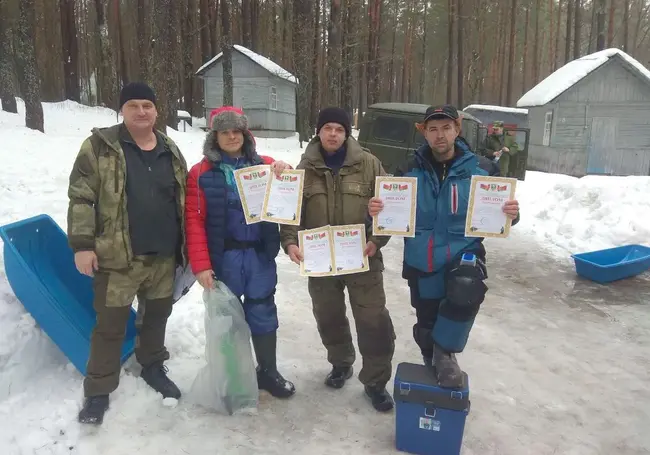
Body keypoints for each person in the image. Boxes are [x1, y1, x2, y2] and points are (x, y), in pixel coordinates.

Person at [368, 105, 520, 389]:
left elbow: (502, 213)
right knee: (426, 320)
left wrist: (511, 212)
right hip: (422, 254)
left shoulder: (482, 169)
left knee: (466, 287)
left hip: (463, 249)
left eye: (446, 128)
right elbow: (389, 213)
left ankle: (445, 353)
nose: (440, 135)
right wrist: (377, 209)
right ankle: (433, 354)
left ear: (457, 130)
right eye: (433, 129)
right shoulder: (408, 169)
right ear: (424, 132)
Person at [67, 82, 189, 424]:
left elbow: (184, 198)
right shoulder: (99, 147)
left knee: (156, 317)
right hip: (118, 258)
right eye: (133, 105)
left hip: (163, 256)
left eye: (147, 105)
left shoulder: (169, 148)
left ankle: (152, 365)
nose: (141, 111)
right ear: (122, 110)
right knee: (110, 326)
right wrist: (82, 245)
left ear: (156, 110)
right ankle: (98, 391)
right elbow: (80, 197)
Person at [280, 107, 396, 412]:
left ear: (347, 134)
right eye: (327, 128)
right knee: (328, 317)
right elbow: (290, 214)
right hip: (320, 262)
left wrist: (377, 239)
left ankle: (375, 381)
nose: (333, 134)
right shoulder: (303, 169)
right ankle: (341, 362)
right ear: (318, 131)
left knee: (373, 321)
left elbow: (392, 208)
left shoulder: (369, 164)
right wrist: (290, 243)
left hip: (363, 259)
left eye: (339, 129)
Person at [184, 106, 296, 399]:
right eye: (225, 132)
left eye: (237, 131)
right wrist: (201, 265)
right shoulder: (200, 173)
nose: (232, 137)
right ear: (215, 137)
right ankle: (232, 379)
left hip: (259, 256)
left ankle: (268, 372)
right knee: (228, 319)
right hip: (225, 259)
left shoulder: (267, 165)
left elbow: (290, 199)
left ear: (246, 135)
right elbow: (194, 221)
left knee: (262, 311)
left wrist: (285, 172)